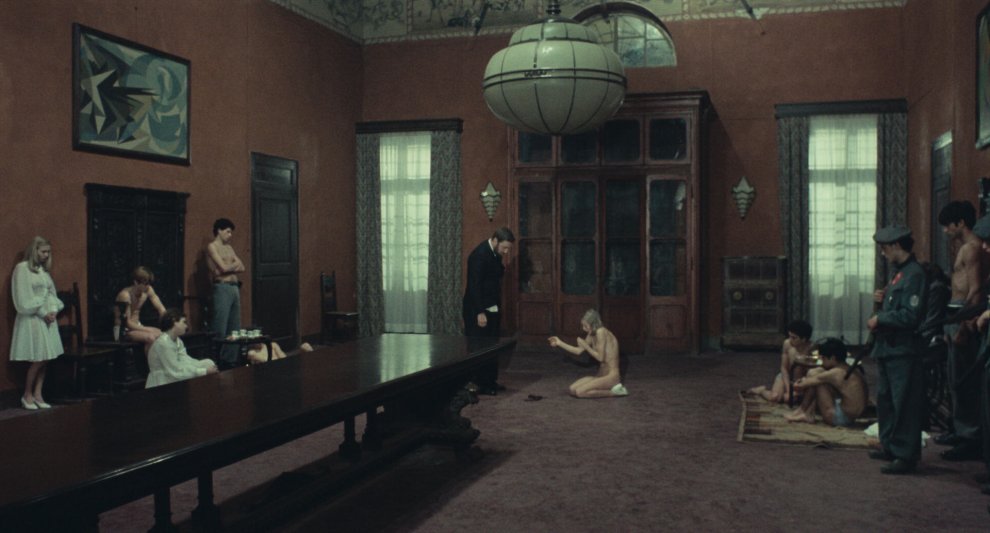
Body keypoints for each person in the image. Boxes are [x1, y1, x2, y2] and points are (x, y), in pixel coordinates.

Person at [866, 225, 927, 475]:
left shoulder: (914, 275)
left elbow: (911, 316)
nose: (883, 253)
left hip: (903, 349)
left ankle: (905, 455)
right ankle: (890, 446)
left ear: (896, 246)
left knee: (905, 404)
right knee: (886, 401)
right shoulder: (899, 273)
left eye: (884, 248)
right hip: (888, 348)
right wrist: (881, 301)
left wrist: (881, 318)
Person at [936, 201, 988, 461]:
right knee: (955, 379)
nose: (946, 231)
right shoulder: (966, 247)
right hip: (956, 315)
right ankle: (960, 430)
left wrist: (965, 327)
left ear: (961, 223)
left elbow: (976, 289)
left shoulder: (972, 248)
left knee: (964, 381)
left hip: (964, 318)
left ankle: (969, 437)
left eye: (948, 225)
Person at [10, 236, 64, 410]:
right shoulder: (22, 269)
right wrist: (43, 313)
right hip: (33, 319)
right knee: (39, 358)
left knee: (46, 357)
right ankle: (27, 394)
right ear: (34, 250)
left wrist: (53, 310)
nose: (46, 255)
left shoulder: (42, 271)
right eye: (43, 251)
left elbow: (52, 294)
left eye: (48, 252)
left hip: (47, 320)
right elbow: (23, 299)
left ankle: (38, 394)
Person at [462, 227, 514, 395]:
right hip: (477, 310)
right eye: (504, 247)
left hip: (492, 307)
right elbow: (474, 286)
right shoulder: (478, 255)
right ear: (495, 240)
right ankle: (480, 384)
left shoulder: (495, 253)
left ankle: (490, 381)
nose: (506, 252)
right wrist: (480, 312)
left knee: (492, 346)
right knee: (479, 348)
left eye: (508, 249)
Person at [784, 338, 867, 426]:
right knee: (816, 374)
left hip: (840, 418)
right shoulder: (848, 368)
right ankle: (806, 412)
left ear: (832, 358)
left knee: (815, 377)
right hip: (849, 413)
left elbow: (800, 385)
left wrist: (800, 382)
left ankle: (803, 411)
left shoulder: (836, 373)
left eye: (823, 358)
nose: (822, 361)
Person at [548, 309, 628, 398]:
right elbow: (578, 351)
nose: (583, 328)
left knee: (580, 392)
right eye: (583, 325)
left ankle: (616, 392)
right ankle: (609, 389)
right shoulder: (592, 333)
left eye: (586, 326)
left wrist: (586, 346)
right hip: (601, 375)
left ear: (593, 324)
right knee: (572, 389)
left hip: (611, 376)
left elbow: (600, 357)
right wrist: (559, 343)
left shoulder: (601, 332)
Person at [207, 218, 246, 368]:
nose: (230, 235)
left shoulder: (229, 248)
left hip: (234, 287)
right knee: (220, 326)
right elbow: (222, 268)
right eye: (228, 231)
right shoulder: (212, 246)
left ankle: (230, 361)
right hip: (222, 288)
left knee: (234, 327)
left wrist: (227, 267)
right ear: (219, 230)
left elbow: (242, 267)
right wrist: (232, 265)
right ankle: (217, 360)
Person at [146, 309, 218, 388]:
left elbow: (185, 360)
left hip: (174, 373)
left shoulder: (178, 341)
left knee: (208, 363)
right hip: (163, 380)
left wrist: (204, 368)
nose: (186, 326)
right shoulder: (163, 343)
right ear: (174, 321)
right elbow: (174, 371)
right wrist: (203, 371)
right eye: (184, 322)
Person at [747, 320, 814, 403]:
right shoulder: (787, 344)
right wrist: (789, 389)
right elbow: (784, 368)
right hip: (786, 376)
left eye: (794, 338)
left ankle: (793, 396)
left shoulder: (812, 347)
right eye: (789, 336)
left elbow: (815, 366)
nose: (790, 340)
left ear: (803, 339)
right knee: (774, 398)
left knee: (788, 399)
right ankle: (761, 390)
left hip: (801, 379)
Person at [114, 266, 167, 351]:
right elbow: (127, 323)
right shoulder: (125, 295)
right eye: (145, 283)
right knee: (151, 337)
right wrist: (150, 329)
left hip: (138, 327)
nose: (147, 286)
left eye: (149, 283)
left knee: (164, 336)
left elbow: (161, 309)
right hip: (123, 330)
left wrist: (169, 323)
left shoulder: (148, 290)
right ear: (136, 282)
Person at [246, 341, 313, 364]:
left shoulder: (272, 345)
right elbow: (267, 362)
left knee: (306, 346)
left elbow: (284, 358)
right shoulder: (252, 353)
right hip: (271, 371)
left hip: (283, 365)